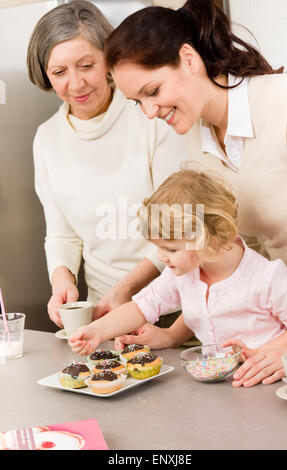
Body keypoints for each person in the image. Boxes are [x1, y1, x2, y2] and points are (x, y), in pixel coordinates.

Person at [103, 0, 287, 385]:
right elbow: (231, 252)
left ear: (189, 59)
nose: (148, 112)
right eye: (136, 101)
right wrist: (172, 330)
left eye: (153, 90)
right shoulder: (198, 139)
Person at [26, 0, 188, 329]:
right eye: (59, 72)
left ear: (109, 60)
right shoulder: (47, 139)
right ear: (45, 75)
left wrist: (128, 288)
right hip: (106, 315)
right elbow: (62, 234)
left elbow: (178, 224)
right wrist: (61, 281)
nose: (76, 84)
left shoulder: (152, 115)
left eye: (87, 65)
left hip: (179, 308)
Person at [69, 169, 287, 389]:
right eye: (159, 248)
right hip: (223, 386)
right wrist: (96, 331)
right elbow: (142, 306)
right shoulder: (182, 273)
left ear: (207, 240)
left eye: (170, 249)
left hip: (272, 382)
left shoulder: (267, 277)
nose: (161, 258)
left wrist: (262, 352)